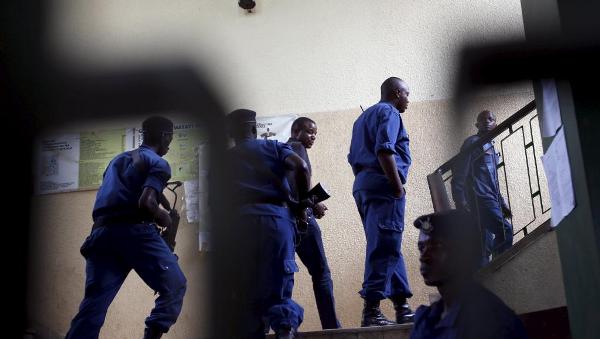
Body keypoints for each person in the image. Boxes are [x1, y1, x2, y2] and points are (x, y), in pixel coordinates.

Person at [66, 116, 187, 339]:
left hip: (101, 236)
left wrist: (163, 203)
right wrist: (165, 218)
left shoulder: (117, 160)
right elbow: (146, 202)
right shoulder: (159, 163)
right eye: (170, 137)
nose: (169, 143)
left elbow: (132, 190)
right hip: (135, 233)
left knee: (93, 305)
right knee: (176, 285)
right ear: (164, 135)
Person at [227, 109, 310, 339]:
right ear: (254, 129)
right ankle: (284, 331)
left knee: (246, 292)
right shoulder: (273, 147)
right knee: (279, 288)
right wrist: (302, 206)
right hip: (275, 220)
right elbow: (301, 167)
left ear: (231, 133)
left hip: (240, 224)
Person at [348, 77, 414, 327]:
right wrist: (397, 188)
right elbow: (385, 150)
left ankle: (402, 307)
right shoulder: (390, 112)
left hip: (364, 186)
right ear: (397, 93)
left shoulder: (362, 119)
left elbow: (353, 157)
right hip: (384, 185)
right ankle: (372, 310)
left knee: (389, 245)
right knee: (385, 245)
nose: (408, 100)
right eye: (407, 94)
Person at [411, 210, 528, 339]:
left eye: (437, 246)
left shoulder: (489, 320)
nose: (424, 257)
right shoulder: (426, 318)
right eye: (422, 248)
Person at [286, 117, 341, 329]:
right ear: (296, 130)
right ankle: (331, 327)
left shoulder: (284, 151)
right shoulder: (297, 147)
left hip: (287, 221)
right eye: (310, 132)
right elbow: (298, 187)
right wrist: (312, 205)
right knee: (321, 274)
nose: (313, 137)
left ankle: (284, 327)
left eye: (315, 133)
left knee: (285, 276)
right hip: (302, 220)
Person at [451, 110, 513, 265]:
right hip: (479, 199)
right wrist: (461, 202)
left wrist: (502, 202)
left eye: (490, 119)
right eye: (482, 119)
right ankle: (500, 270)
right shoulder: (472, 143)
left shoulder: (491, 147)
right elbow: (459, 175)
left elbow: (493, 180)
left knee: (483, 247)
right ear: (476, 124)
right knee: (505, 231)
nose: (486, 121)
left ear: (496, 124)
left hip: (491, 199)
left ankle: (488, 280)